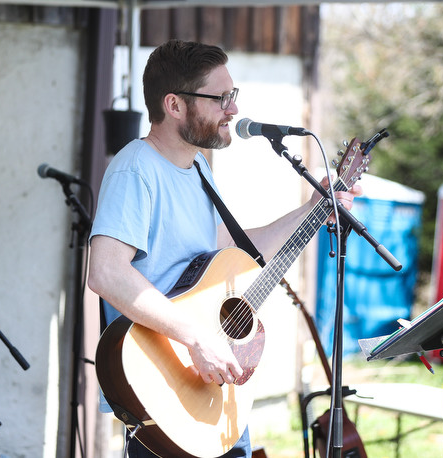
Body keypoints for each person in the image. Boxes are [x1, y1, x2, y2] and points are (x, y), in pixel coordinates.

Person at [87, 39, 360, 458]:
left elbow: (229, 252)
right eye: (221, 98)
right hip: (164, 392)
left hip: (215, 388)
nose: (232, 109)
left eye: (232, 96)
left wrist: (312, 210)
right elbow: (105, 273)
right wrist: (196, 338)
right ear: (174, 105)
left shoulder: (196, 166)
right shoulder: (134, 169)